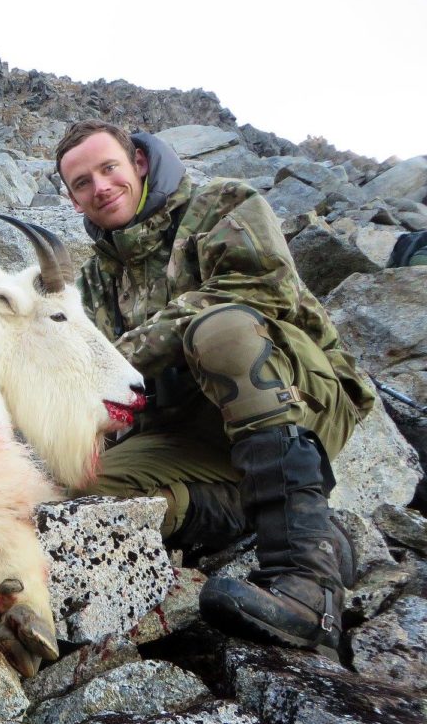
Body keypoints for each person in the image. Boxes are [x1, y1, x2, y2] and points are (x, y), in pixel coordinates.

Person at [54, 119, 376, 658]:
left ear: (137, 163)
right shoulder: (91, 284)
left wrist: (118, 361)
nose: (100, 187)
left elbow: (257, 287)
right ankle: (283, 522)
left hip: (296, 395)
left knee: (219, 329)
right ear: (72, 200)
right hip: (191, 432)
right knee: (77, 486)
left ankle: (307, 587)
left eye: (108, 168)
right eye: (82, 183)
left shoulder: (223, 203)